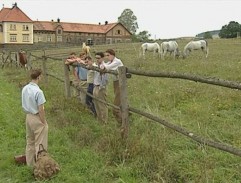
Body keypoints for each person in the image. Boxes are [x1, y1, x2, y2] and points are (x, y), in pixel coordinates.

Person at [21, 69, 48, 167]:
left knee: (30, 141)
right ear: (39, 77)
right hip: (36, 116)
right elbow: (41, 109)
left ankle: (30, 164)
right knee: (40, 143)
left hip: (28, 116)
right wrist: (43, 122)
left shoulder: (25, 88)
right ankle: (41, 166)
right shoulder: (38, 92)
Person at [103, 49, 123, 124]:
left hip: (120, 82)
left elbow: (106, 67)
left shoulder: (116, 62)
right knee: (119, 101)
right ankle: (124, 117)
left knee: (115, 107)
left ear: (112, 55)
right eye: (106, 56)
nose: (107, 57)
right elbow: (104, 66)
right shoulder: (110, 62)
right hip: (116, 82)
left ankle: (123, 122)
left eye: (108, 55)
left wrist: (102, 63)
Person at [93, 52, 108, 124]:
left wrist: (102, 87)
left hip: (101, 86)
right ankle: (99, 120)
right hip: (95, 85)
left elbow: (105, 78)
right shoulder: (96, 65)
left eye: (98, 58)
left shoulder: (105, 66)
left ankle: (104, 121)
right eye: (96, 58)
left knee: (102, 105)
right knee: (96, 103)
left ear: (102, 58)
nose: (97, 59)